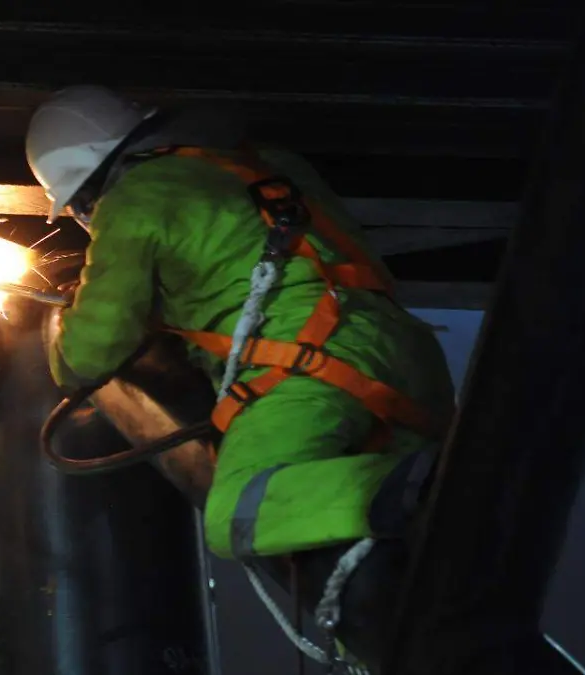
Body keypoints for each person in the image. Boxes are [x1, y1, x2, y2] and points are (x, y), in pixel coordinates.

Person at [25, 85, 457, 565]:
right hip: (408, 359)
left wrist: (64, 333)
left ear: (86, 186)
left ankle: (439, 488)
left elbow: (94, 348)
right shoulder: (271, 163)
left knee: (239, 511)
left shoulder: (134, 200)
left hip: (308, 366)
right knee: (405, 555)